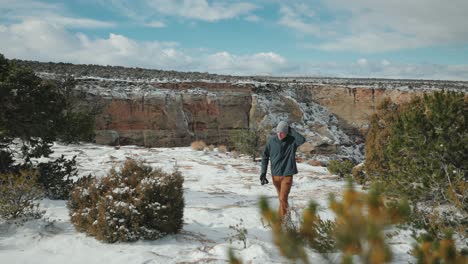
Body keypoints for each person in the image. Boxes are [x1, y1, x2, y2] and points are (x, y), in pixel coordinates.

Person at [260, 121, 306, 222]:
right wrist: (263, 173)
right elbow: (265, 157)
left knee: (282, 198)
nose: (280, 134)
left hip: (287, 174)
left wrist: (290, 130)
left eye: (282, 132)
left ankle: (281, 222)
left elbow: (302, 140)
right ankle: (287, 217)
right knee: (282, 200)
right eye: (278, 132)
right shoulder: (271, 142)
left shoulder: (292, 141)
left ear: (286, 133)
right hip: (275, 175)